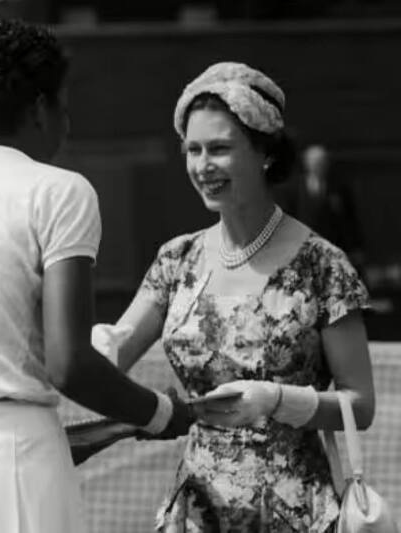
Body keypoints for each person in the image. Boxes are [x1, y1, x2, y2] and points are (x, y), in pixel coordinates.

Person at [0, 20, 194, 533]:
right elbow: (69, 366)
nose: (66, 119)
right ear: (41, 109)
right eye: (63, 104)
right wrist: (161, 412)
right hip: (12, 466)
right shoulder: (60, 191)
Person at [92, 62, 375, 531]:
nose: (203, 165)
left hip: (293, 512)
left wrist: (276, 399)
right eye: (193, 149)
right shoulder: (176, 260)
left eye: (220, 149)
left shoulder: (323, 265)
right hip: (198, 511)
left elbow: (360, 406)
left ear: (265, 153)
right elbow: (107, 359)